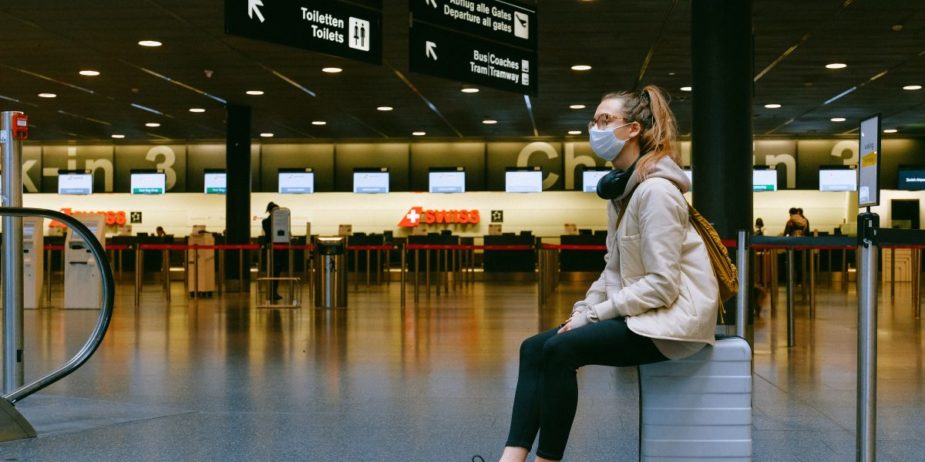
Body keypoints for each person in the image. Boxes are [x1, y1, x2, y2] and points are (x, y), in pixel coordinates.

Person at [497, 86, 720, 462]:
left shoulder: (656, 193)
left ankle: (546, 459)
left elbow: (664, 285)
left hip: (671, 324)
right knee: (533, 348)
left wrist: (596, 315)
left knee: (560, 350)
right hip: (642, 314)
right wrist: (583, 310)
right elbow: (611, 269)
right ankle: (510, 459)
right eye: (594, 121)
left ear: (633, 129)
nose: (595, 129)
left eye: (605, 120)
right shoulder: (624, 194)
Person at [262, 202, 283, 300]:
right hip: (271, 249)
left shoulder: (279, 222)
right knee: (272, 271)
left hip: (278, 249)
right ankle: (271, 292)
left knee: (276, 271)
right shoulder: (266, 222)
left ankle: (274, 291)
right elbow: (270, 233)